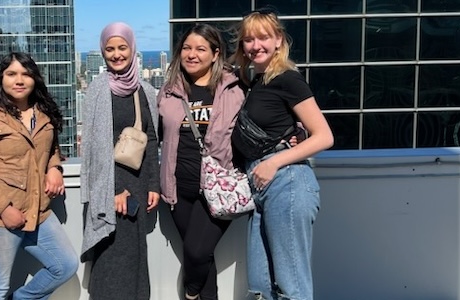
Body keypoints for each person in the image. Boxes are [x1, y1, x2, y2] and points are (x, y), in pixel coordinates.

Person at [230, 7, 334, 300]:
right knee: (261, 286)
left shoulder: (288, 79)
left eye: (263, 37)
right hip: (263, 187)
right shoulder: (258, 83)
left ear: (279, 40)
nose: (255, 46)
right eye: (248, 40)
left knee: (291, 286)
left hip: (286, 183)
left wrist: (274, 162)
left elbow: (324, 136)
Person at [0, 52, 78, 300]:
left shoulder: (43, 113)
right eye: (12, 74)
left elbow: (49, 148)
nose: (19, 80)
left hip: (37, 209)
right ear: (1, 78)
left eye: (26, 74)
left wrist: (54, 167)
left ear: (35, 79)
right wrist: (4, 209)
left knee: (65, 265)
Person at [157, 24, 246, 300]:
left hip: (218, 190)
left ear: (216, 53)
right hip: (178, 190)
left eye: (200, 49)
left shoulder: (235, 89)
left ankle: (191, 293)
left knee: (196, 252)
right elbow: (156, 137)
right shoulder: (169, 92)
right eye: (186, 48)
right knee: (203, 259)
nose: (191, 54)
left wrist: (295, 134)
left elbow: (259, 125)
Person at [79, 22, 160, 300]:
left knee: (135, 257)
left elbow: (151, 139)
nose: (116, 54)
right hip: (109, 191)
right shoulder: (98, 90)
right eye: (109, 49)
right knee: (111, 258)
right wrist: (109, 191)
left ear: (132, 49)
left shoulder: (145, 91)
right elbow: (89, 148)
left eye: (122, 48)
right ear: (102, 52)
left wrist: (153, 185)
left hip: (136, 185)